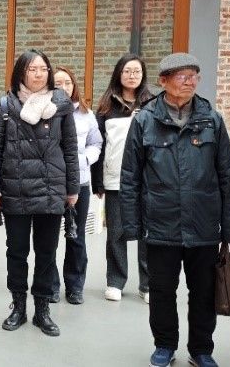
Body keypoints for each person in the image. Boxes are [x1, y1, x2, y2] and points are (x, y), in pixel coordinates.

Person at [119, 52, 230, 367]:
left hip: (204, 224)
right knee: (162, 290)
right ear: (163, 81)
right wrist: (132, 227)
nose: (190, 82)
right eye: (182, 76)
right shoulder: (145, 120)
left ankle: (201, 350)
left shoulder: (211, 119)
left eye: (194, 76)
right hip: (161, 224)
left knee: (203, 291)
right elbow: (130, 177)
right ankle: (164, 345)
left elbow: (228, 177)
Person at [0, 49, 79, 338]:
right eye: (32, 69)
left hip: (51, 188)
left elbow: (70, 148)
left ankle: (42, 309)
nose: (39, 74)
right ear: (21, 73)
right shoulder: (6, 105)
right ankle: (18, 306)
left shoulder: (61, 104)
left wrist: (72, 188)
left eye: (43, 69)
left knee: (46, 253)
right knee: (16, 252)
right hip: (15, 188)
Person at [91, 54, 154, 304]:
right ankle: (115, 282)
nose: (132, 76)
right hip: (114, 178)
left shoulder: (152, 104)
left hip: (147, 181)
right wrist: (97, 180)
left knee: (147, 234)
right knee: (116, 233)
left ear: (143, 75)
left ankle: (147, 285)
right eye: (127, 71)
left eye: (136, 71)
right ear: (119, 74)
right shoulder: (107, 106)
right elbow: (99, 146)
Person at [51, 66, 102, 305]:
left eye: (67, 83)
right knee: (48, 238)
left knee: (76, 236)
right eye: (58, 83)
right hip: (51, 183)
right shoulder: (45, 111)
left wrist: (85, 160)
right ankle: (49, 286)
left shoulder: (85, 113)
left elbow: (96, 143)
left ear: (74, 86)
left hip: (79, 182)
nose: (63, 87)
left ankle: (74, 286)